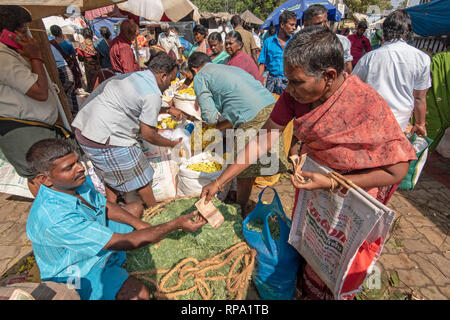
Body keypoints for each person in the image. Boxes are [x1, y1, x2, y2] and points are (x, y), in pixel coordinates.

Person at [201, 26, 417, 300]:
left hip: (355, 192)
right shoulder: (295, 98)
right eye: (288, 81)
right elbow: (262, 140)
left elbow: (396, 169)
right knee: (313, 244)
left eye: (297, 81)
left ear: (328, 76)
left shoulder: (365, 104)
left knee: (340, 259)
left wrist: (331, 181)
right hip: (317, 186)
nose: (289, 89)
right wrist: (220, 180)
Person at [26, 138, 206, 300]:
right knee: (139, 295)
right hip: (78, 267)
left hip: (96, 233)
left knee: (135, 209)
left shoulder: (74, 183)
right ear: (45, 179)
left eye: (77, 161)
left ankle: (118, 258)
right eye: (69, 168)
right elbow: (120, 242)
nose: (81, 168)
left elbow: (103, 205)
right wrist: (175, 224)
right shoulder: (54, 218)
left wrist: (139, 224)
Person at [72, 53, 183, 209]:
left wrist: (167, 109)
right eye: (171, 80)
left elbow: (134, 103)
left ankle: (111, 211)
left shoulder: (135, 77)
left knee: (112, 176)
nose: (170, 85)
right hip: (104, 138)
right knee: (141, 176)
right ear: (163, 76)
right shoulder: (152, 93)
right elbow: (148, 134)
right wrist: (170, 143)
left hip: (84, 131)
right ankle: (157, 211)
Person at [188, 52, 290, 217]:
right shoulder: (228, 68)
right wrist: (219, 126)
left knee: (242, 169)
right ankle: (243, 201)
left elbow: (210, 117)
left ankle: (241, 210)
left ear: (194, 70)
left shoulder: (200, 77)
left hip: (252, 117)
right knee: (248, 166)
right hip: (271, 110)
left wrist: (208, 126)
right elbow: (236, 110)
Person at [0, 5, 77, 196]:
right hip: (24, 128)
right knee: (42, 176)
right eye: (24, 30)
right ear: (12, 33)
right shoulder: (3, 57)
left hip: (36, 125)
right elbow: (39, 92)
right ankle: (58, 215)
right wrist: (35, 56)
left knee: (52, 174)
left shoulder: (10, 54)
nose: (28, 34)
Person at [353, 10, 431, 135]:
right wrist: (420, 124)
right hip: (400, 123)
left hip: (370, 122)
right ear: (408, 32)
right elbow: (419, 97)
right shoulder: (422, 58)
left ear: (384, 32)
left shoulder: (370, 58)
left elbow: (352, 89)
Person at [302, 4, 353, 74]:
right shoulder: (301, 44)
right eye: (319, 23)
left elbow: (347, 66)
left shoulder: (342, 41)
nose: (325, 26)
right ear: (306, 25)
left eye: (325, 21)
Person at [258, 10, 297, 95]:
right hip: (271, 82)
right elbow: (262, 63)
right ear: (282, 25)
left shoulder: (295, 42)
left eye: (295, 25)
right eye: (291, 25)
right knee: (271, 106)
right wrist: (259, 81)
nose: (294, 28)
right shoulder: (268, 42)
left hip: (289, 83)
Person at [49, 25, 80, 116]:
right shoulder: (68, 44)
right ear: (61, 32)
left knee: (64, 93)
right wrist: (77, 69)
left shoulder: (51, 44)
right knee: (71, 92)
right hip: (69, 67)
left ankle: (69, 113)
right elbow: (74, 58)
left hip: (61, 70)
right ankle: (74, 112)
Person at [77, 27, 101, 92]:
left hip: (89, 67)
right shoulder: (96, 43)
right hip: (98, 66)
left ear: (83, 35)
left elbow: (80, 58)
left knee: (91, 82)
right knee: (99, 80)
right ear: (92, 34)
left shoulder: (81, 46)